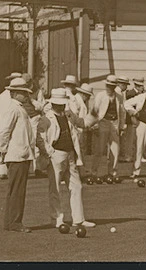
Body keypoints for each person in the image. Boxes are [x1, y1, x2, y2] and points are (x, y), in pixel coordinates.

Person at [36, 88, 95, 229]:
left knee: (77, 186)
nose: (61, 106)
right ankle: (57, 219)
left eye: (63, 104)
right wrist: (50, 153)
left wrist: (97, 113)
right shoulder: (45, 119)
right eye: (58, 104)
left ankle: (78, 220)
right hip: (56, 154)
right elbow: (39, 139)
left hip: (70, 155)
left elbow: (83, 123)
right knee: (55, 188)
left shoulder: (69, 115)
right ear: (53, 104)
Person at [0, 77, 37, 233]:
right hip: (17, 155)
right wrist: (3, 151)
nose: (27, 96)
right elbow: (3, 132)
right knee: (18, 190)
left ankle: (10, 222)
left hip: (21, 154)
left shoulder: (19, 107)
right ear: (16, 93)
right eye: (24, 93)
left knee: (15, 190)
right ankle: (15, 222)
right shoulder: (12, 108)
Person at [89, 75, 126, 177]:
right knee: (99, 150)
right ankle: (94, 172)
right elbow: (94, 111)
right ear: (106, 85)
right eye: (108, 85)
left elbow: (122, 113)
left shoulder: (119, 97)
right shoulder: (100, 95)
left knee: (115, 149)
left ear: (114, 87)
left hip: (114, 124)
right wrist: (95, 125)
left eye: (112, 86)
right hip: (103, 123)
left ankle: (112, 173)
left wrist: (122, 127)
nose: (109, 88)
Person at [0, 71, 23, 179]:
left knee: (6, 146)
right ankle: (4, 170)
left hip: (5, 121)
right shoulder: (6, 96)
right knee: (8, 145)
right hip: (9, 122)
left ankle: (3, 170)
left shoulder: (1, 96)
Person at [75, 83, 95, 176]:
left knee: (81, 151)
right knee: (76, 152)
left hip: (81, 130)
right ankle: (76, 173)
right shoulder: (76, 101)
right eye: (88, 96)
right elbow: (74, 117)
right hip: (77, 130)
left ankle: (80, 172)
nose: (88, 98)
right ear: (84, 94)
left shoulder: (81, 102)